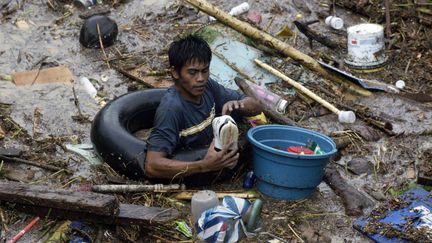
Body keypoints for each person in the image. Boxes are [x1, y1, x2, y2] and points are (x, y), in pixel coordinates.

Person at [145, 35, 262, 181]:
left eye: (205, 71)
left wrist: (241, 106)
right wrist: (203, 166)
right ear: (175, 72)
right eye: (192, 72)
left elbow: (257, 107)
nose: (200, 78)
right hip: (193, 164)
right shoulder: (171, 109)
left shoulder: (208, 86)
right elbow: (152, 165)